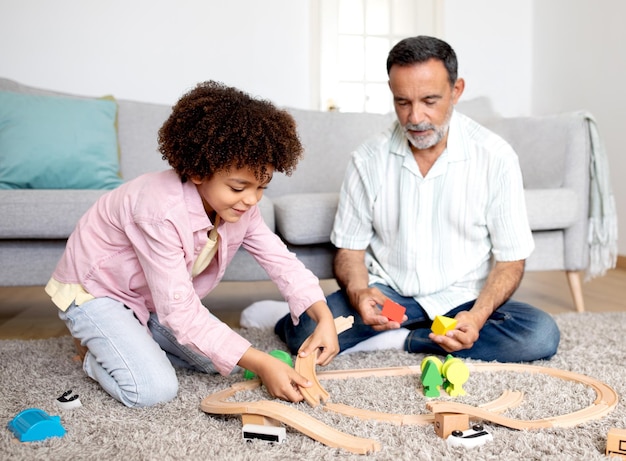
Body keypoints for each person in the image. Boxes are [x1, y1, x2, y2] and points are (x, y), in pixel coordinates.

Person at [46, 81, 339, 408]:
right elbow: (181, 313)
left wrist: (323, 315)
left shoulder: (242, 208)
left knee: (216, 361)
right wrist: (261, 363)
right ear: (199, 170)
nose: (251, 200)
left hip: (150, 298)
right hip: (97, 291)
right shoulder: (159, 211)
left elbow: (280, 262)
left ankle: (135, 335)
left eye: (262, 187)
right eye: (239, 187)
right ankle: (90, 354)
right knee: (152, 390)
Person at [275, 35, 560, 362]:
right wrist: (358, 293)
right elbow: (349, 251)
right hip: (390, 301)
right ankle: (408, 333)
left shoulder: (496, 157)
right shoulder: (367, 159)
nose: (415, 118)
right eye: (403, 102)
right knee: (303, 332)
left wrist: (478, 316)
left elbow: (511, 260)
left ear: (456, 91)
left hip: (463, 300)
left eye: (429, 100)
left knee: (540, 334)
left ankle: (405, 340)